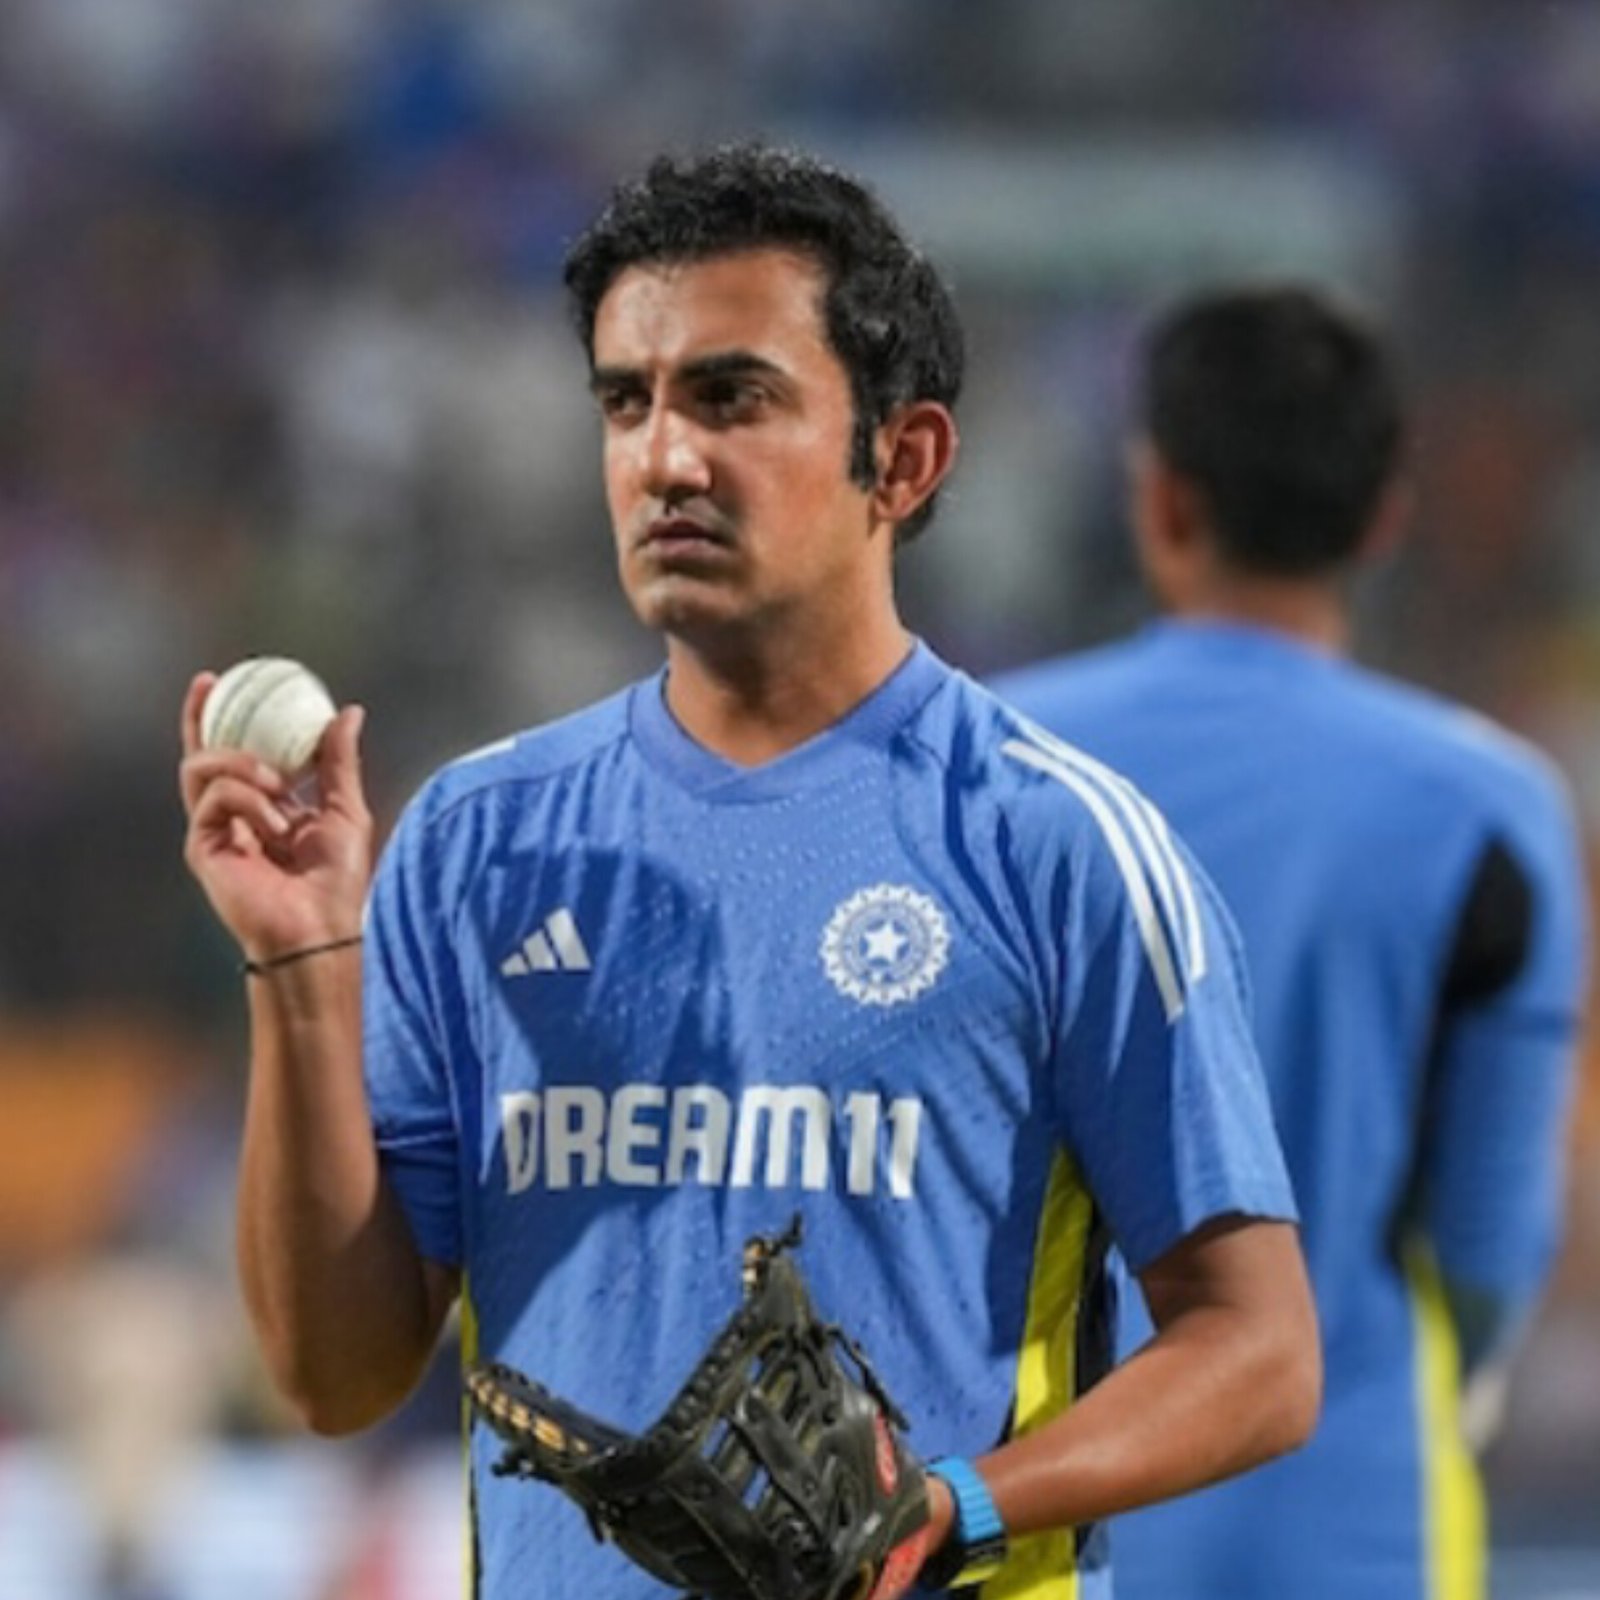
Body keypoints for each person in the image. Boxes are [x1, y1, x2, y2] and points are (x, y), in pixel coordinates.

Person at [179, 145, 1319, 1600]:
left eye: (731, 397)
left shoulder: (1058, 844)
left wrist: (954, 1507)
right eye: (626, 402)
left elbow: (1258, 1349)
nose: (664, 458)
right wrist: (296, 963)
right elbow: (333, 1379)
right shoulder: (474, 840)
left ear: (903, 460)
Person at [993, 284, 1589, 1600]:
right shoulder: (1492, 812)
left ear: (1162, 500)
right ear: (1384, 520)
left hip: (1048, 1504)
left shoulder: (987, 763)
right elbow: (1491, 1233)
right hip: (1356, 1511)